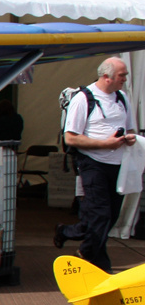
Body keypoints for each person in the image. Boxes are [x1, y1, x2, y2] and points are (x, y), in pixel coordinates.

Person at [56, 56, 134, 271]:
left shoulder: (122, 98)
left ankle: (68, 234)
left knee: (110, 216)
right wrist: (104, 143)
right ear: (106, 77)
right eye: (122, 75)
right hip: (92, 163)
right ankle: (97, 262)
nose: (125, 79)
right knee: (100, 215)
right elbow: (70, 138)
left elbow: (131, 129)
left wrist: (128, 138)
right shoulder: (83, 98)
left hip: (118, 164)